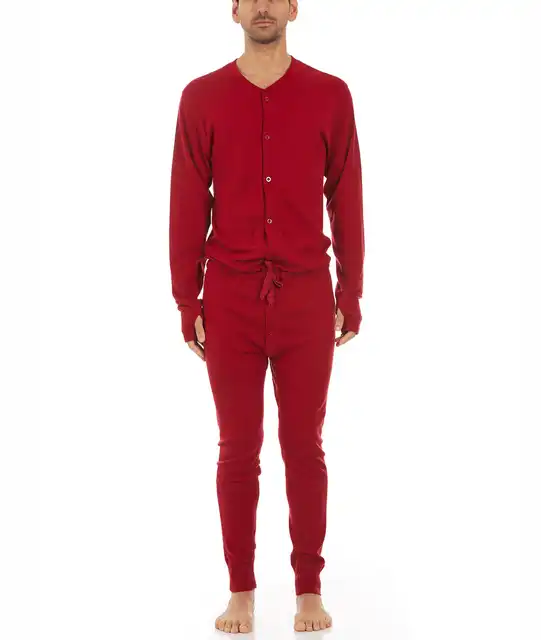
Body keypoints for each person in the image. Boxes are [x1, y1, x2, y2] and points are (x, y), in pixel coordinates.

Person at [169, 0, 364, 633]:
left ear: (293, 8)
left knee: (304, 446)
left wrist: (350, 291)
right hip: (229, 300)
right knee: (237, 449)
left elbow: (347, 196)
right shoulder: (201, 98)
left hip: (306, 297)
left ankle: (308, 588)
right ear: (233, 10)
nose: (262, 5)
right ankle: (242, 591)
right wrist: (187, 300)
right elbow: (186, 200)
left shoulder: (330, 95)